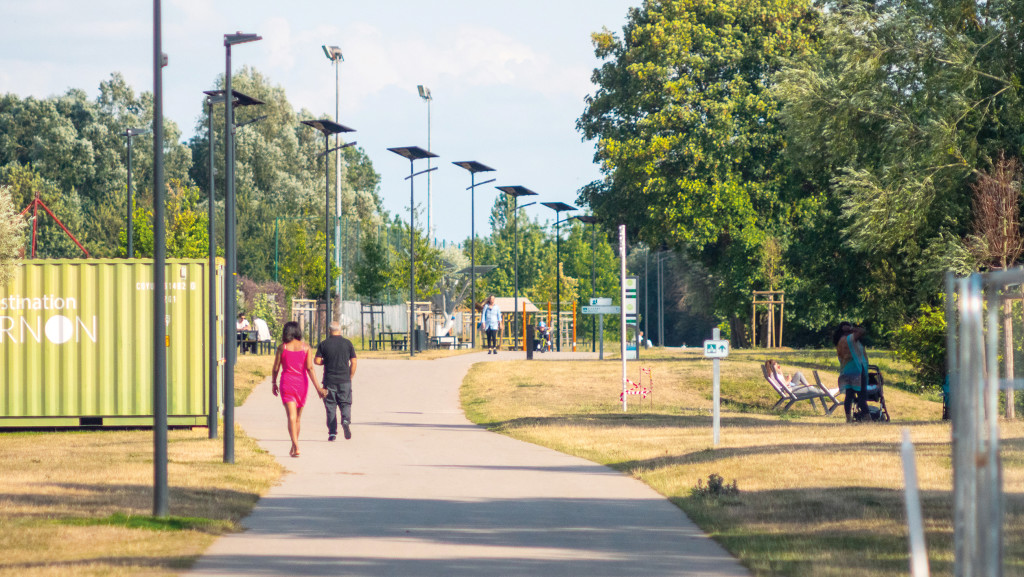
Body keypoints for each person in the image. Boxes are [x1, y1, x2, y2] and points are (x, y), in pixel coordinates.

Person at [271, 321, 325, 457]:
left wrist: (273, 382)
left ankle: (295, 445)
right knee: (298, 418)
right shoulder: (306, 348)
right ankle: (294, 445)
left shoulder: (282, 348)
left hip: (287, 383)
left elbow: (276, 368)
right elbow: (310, 368)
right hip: (302, 384)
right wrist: (318, 388)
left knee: (291, 416)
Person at [315, 321, 358, 441]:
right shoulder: (347, 343)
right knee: (345, 403)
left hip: (329, 381)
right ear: (340, 329)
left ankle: (332, 433)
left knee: (330, 406)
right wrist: (350, 376)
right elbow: (354, 362)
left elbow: (317, 361)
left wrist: (326, 361)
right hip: (344, 379)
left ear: (329, 330)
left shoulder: (324, 344)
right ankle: (345, 420)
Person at [834, 321, 871, 422]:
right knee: (862, 396)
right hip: (857, 370)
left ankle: (848, 418)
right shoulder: (851, 339)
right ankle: (868, 418)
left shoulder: (839, 340)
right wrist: (853, 329)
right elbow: (862, 331)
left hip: (846, 370)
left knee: (849, 396)